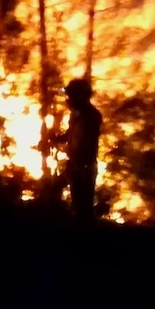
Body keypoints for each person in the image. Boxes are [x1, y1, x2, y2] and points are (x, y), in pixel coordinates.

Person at [64, 78, 103, 224]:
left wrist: (81, 164)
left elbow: (87, 142)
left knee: (84, 206)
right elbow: (70, 133)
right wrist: (58, 138)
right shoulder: (76, 114)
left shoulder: (92, 115)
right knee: (76, 204)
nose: (69, 99)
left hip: (85, 166)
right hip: (75, 163)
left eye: (72, 95)